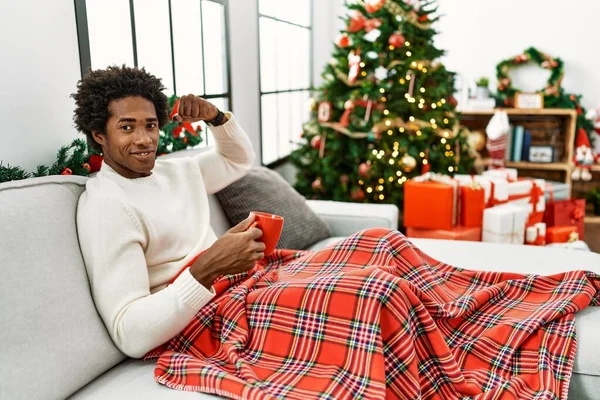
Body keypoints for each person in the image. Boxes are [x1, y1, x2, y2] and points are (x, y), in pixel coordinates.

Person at [75, 65, 263, 358]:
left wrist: (214, 117)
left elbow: (239, 160)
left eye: (150, 125)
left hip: (246, 289)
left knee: (360, 254)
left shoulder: (178, 172)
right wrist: (210, 266)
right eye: (127, 127)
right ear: (99, 134)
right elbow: (130, 334)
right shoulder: (107, 205)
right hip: (207, 322)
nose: (144, 139)